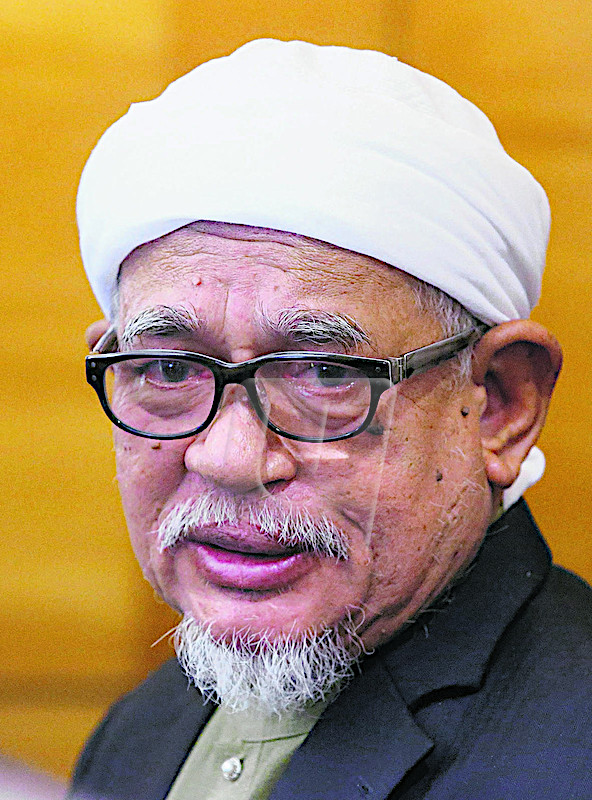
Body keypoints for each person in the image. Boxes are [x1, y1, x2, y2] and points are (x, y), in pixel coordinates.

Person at [68, 39, 591, 800]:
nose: (229, 458)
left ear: (500, 404)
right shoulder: (143, 728)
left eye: (323, 373)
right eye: (171, 369)